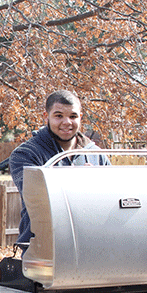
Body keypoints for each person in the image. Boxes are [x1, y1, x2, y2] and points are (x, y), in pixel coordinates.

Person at [8, 90, 109, 245]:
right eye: (59, 116)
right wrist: (78, 182)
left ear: (80, 118)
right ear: (46, 116)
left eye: (73, 116)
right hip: (44, 246)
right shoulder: (26, 154)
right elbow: (36, 199)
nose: (67, 122)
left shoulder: (95, 154)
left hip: (91, 245)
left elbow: (111, 199)